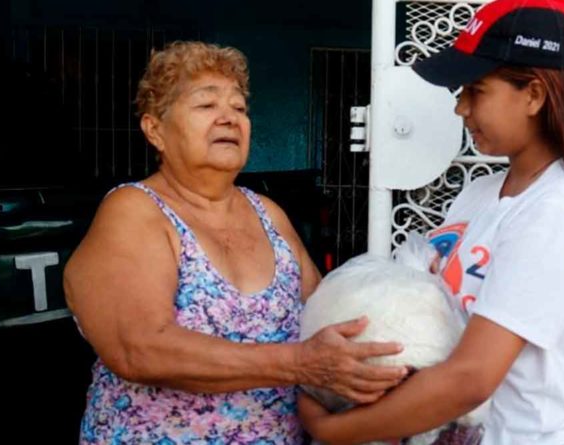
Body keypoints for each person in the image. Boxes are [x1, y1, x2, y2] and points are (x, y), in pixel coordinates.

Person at [299, 0, 564, 444]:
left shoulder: (559, 214)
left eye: (476, 90)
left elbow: (472, 378)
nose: (460, 109)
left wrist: (334, 429)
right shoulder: (480, 195)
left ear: (533, 95)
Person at [63, 41, 408, 444]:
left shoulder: (267, 212)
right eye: (206, 106)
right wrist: (298, 363)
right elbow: (138, 349)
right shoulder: (135, 210)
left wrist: (407, 301)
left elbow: (326, 314)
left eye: (239, 108)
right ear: (154, 129)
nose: (229, 118)